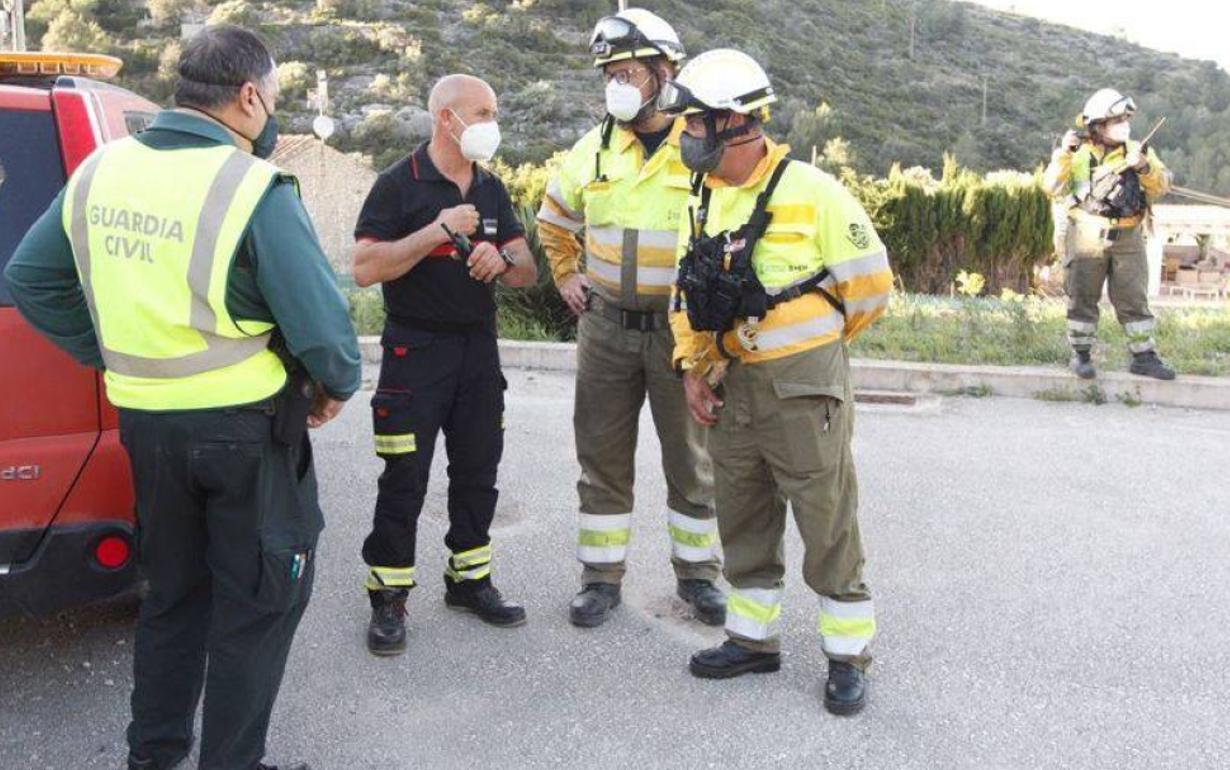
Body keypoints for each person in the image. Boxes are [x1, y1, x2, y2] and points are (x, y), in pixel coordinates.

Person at [3, 25, 360, 770]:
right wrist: (329, 388)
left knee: (172, 598)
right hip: (246, 435)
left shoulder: (100, 172)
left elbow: (32, 279)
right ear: (250, 96)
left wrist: (111, 354)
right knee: (259, 604)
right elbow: (328, 337)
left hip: (149, 430)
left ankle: (155, 756)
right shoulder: (250, 187)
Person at [657, 49, 893, 715]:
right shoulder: (700, 201)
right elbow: (686, 294)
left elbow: (871, 291)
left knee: (827, 520)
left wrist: (806, 349)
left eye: (695, 123)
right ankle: (753, 640)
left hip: (801, 387)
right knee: (744, 514)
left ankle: (848, 656)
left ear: (735, 123)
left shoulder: (813, 192)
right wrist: (692, 368)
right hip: (730, 383)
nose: (684, 135)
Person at [537, 7, 725, 629]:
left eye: (627, 70)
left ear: (665, 72)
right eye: (608, 72)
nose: (616, 82)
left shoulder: (701, 148)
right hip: (606, 328)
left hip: (681, 334)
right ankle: (600, 578)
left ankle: (699, 578)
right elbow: (553, 217)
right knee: (601, 458)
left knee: (692, 462)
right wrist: (565, 272)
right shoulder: (591, 150)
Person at [352, 74, 538, 656]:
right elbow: (364, 266)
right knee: (405, 478)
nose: (492, 122)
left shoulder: (491, 188)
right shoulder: (396, 184)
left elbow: (527, 270)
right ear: (446, 119)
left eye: (494, 111)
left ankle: (469, 580)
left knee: (478, 472)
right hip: (415, 351)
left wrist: (498, 256)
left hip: (477, 352)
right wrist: (435, 230)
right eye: (482, 111)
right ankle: (389, 596)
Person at [1044, 88, 1175, 381]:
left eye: (1125, 119)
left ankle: (1143, 357)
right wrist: (1064, 154)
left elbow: (1161, 186)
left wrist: (1143, 166)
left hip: (1128, 236)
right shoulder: (1075, 152)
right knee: (1082, 296)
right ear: (1098, 125)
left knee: (1133, 298)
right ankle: (1081, 357)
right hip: (1085, 235)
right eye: (1116, 119)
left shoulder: (1138, 151)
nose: (1124, 124)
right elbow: (1051, 186)